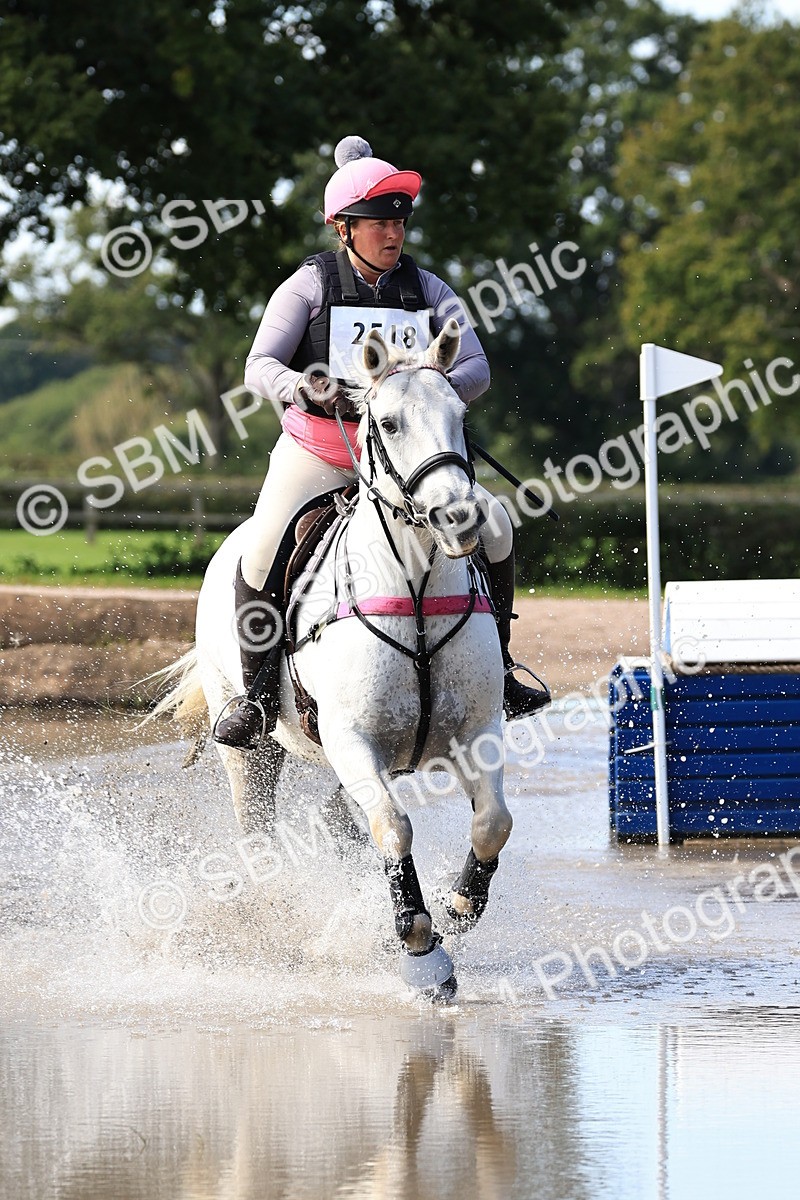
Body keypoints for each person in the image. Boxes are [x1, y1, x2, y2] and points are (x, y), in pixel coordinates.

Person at [214, 135, 547, 747]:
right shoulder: (308, 286)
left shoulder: (429, 290)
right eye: (378, 224)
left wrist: (429, 386)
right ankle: (256, 698)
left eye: (399, 222)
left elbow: (478, 367)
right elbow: (258, 365)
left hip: (410, 459)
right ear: (343, 228)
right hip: (323, 451)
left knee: (495, 526)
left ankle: (499, 669)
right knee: (261, 549)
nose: (393, 234)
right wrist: (304, 385)